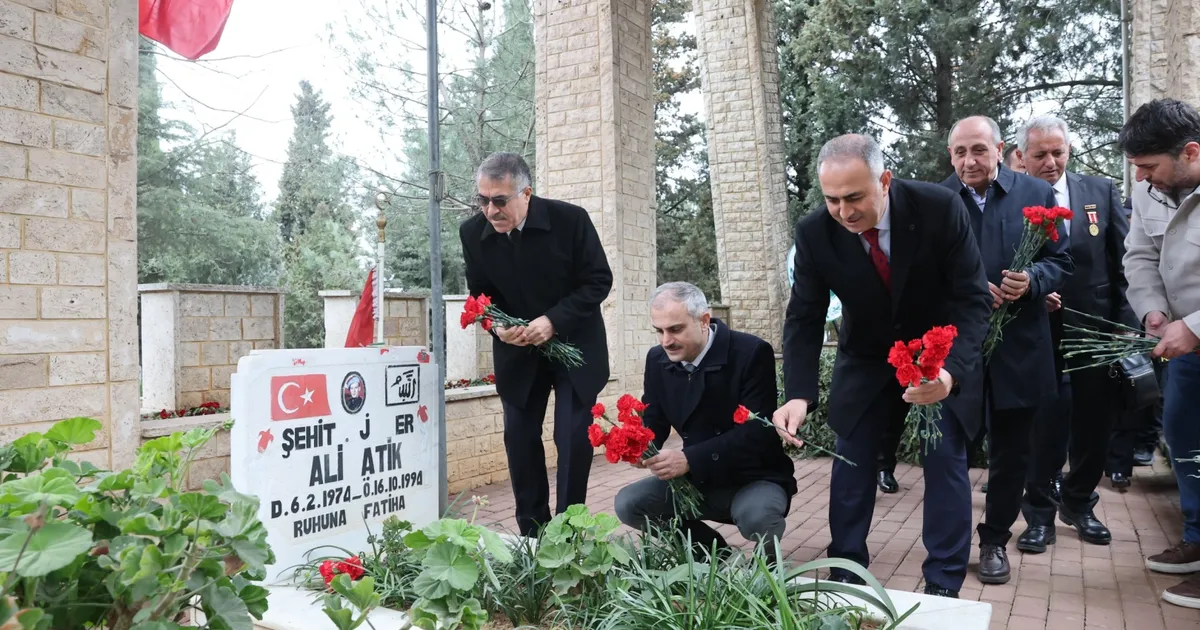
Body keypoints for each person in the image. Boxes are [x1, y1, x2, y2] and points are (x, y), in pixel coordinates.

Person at [774, 134, 992, 598]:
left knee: (945, 456)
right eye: (832, 199)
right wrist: (798, 393)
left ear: (885, 181)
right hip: (868, 354)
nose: (844, 212)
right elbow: (805, 316)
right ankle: (846, 569)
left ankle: (943, 581)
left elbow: (972, 302)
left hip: (938, 350)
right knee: (851, 456)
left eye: (854, 197)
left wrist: (949, 374)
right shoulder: (815, 232)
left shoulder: (940, 209)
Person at [940, 116, 1073, 585]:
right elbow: (922, 276)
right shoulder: (937, 202)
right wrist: (973, 291)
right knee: (951, 450)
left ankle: (994, 539)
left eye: (978, 150)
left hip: (1021, 347)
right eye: (959, 152)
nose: (969, 161)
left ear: (1000, 150)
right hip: (959, 353)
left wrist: (1032, 281)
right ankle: (948, 544)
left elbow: (1061, 261)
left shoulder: (1036, 195)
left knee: (1012, 452)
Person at [459, 152, 614, 536]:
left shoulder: (571, 219)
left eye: (499, 200)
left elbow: (598, 280)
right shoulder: (471, 233)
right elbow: (481, 295)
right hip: (518, 353)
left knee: (572, 437)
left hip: (574, 347)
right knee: (520, 438)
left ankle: (568, 530)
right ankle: (532, 534)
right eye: (483, 200)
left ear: (526, 193)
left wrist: (553, 321)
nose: (490, 210)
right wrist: (497, 327)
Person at [1013, 115, 1137, 553]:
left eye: (1058, 152)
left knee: (1095, 420)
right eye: (1040, 154)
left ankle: (1080, 501)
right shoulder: (1012, 198)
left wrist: (1124, 325)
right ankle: (1039, 514)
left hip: (1096, 327)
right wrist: (1032, 291)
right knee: (1042, 423)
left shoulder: (1099, 192)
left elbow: (1125, 263)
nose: (1051, 162)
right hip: (1036, 329)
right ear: (1021, 158)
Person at [615, 282, 797, 559]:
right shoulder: (657, 359)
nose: (666, 341)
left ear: (703, 321)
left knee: (757, 517)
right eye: (659, 331)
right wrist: (639, 446)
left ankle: (769, 572)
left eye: (675, 329)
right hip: (695, 480)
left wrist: (688, 459)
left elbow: (757, 433)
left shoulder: (751, 352)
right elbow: (655, 418)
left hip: (755, 477)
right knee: (629, 504)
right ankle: (714, 557)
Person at [1118, 98, 1200, 609]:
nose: (1143, 181)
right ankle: (1196, 537)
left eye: (1150, 167)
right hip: (1183, 346)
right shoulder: (1151, 189)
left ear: (1190, 152)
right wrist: (1152, 310)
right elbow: (1140, 254)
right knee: (1187, 440)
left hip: (1192, 334)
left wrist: (1193, 326)